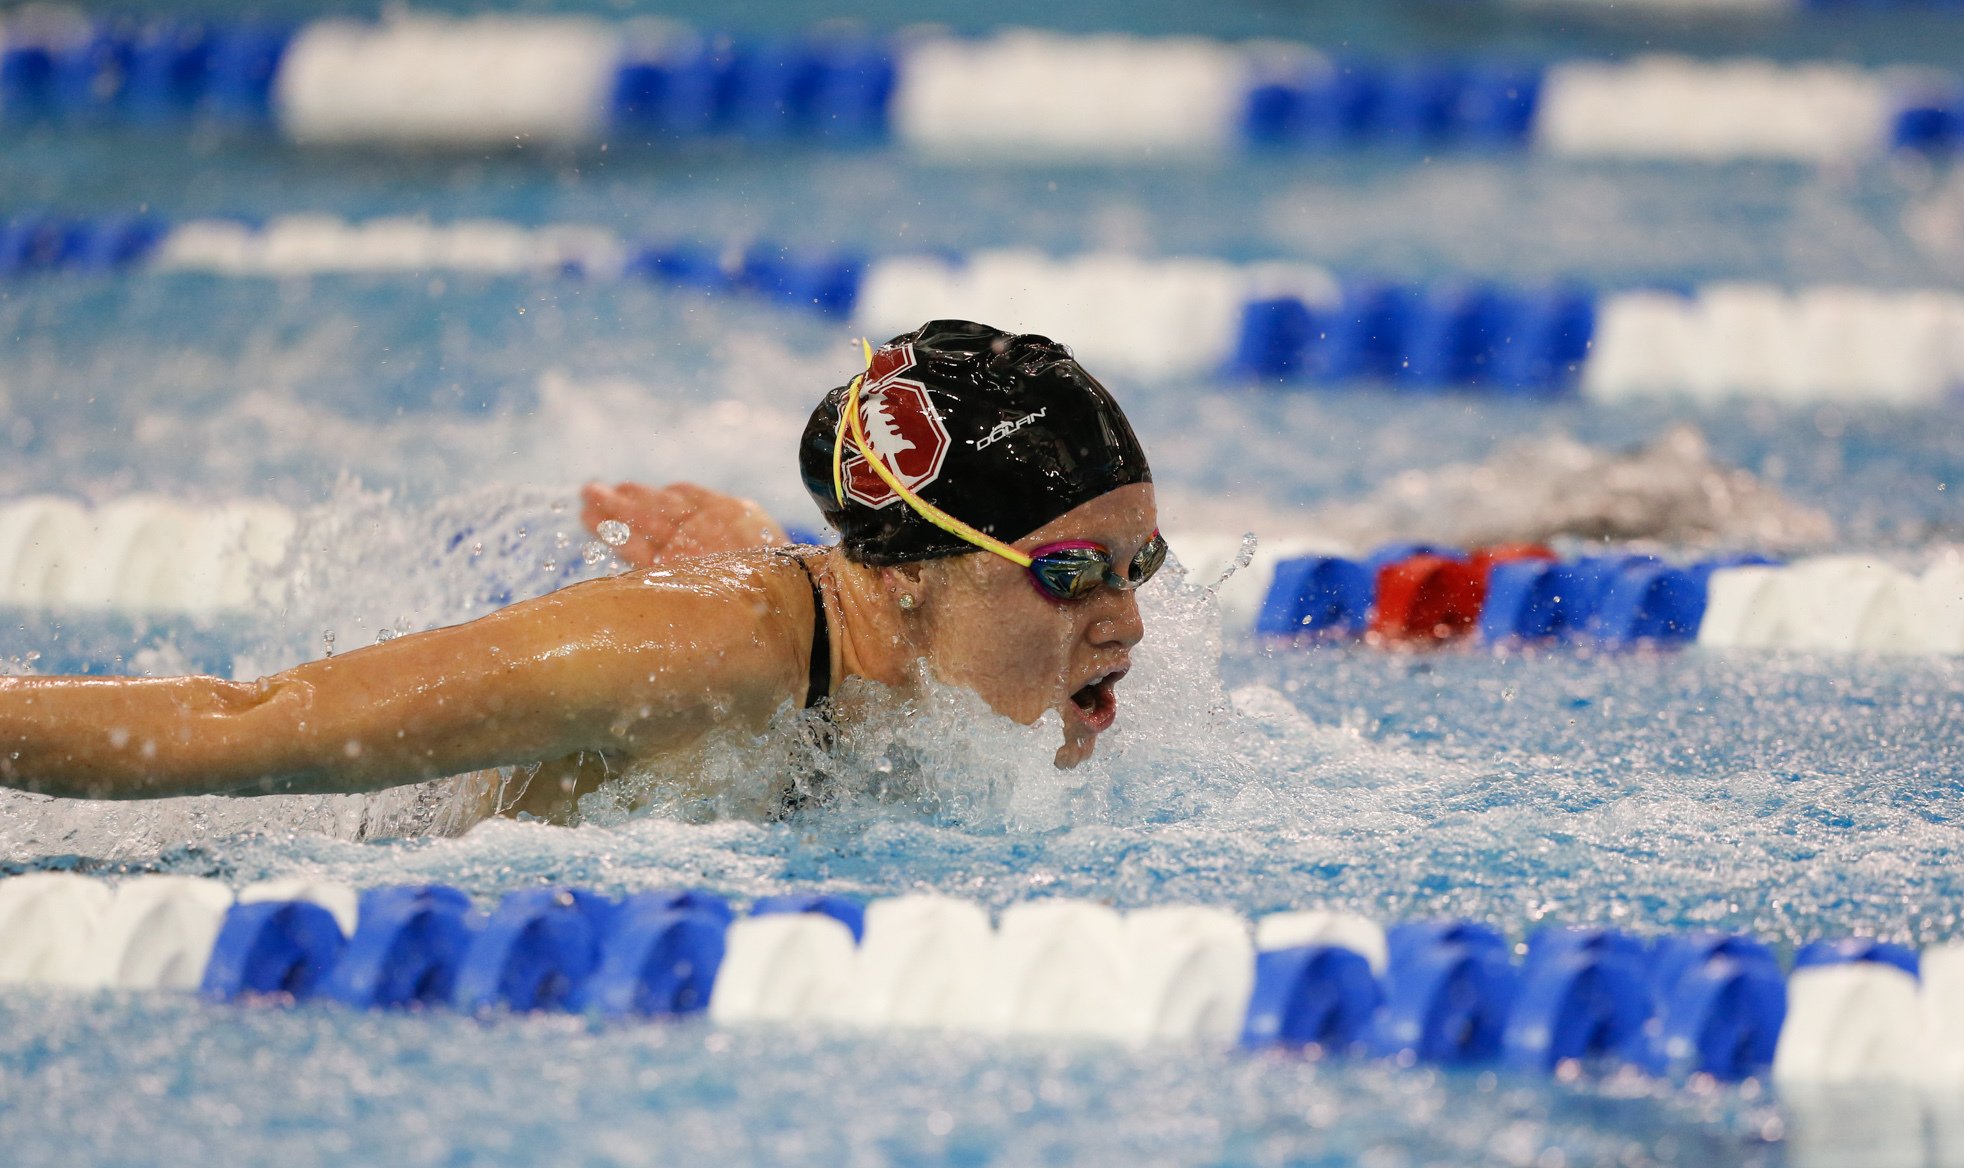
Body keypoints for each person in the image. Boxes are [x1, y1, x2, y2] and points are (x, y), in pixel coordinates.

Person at [0, 321, 1165, 825]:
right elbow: (249, 718)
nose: (1128, 622)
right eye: (1070, 575)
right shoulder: (690, 657)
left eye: (1139, 565)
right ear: (909, 572)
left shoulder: (890, 647)